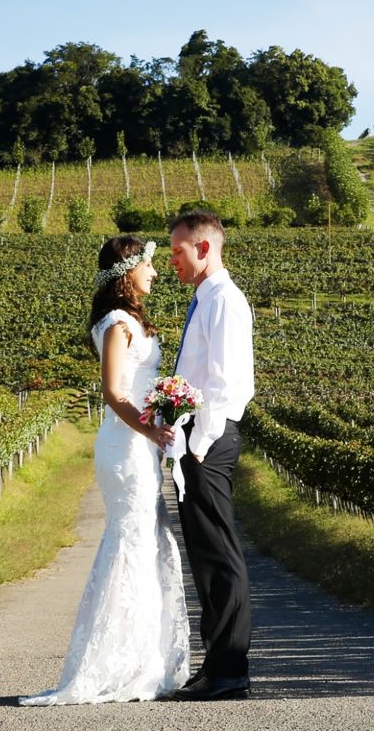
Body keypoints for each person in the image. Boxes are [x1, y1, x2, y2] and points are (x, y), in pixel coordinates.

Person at [19, 236, 192, 705]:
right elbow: (114, 392)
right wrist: (152, 431)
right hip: (125, 446)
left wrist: (162, 414)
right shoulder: (117, 323)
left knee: (143, 539)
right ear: (126, 272)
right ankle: (119, 663)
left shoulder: (130, 320)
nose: (155, 273)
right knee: (131, 540)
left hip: (138, 444)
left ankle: (142, 660)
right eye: (149, 266)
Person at [158, 209, 255, 702]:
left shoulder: (225, 302)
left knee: (220, 554)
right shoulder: (207, 298)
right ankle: (216, 663)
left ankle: (230, 672)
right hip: (199, 438)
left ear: (203, 248)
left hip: (209, 440)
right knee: (206, 554)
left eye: (176, 251)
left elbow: (224, 383)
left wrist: (196, 446)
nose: (171, 260)